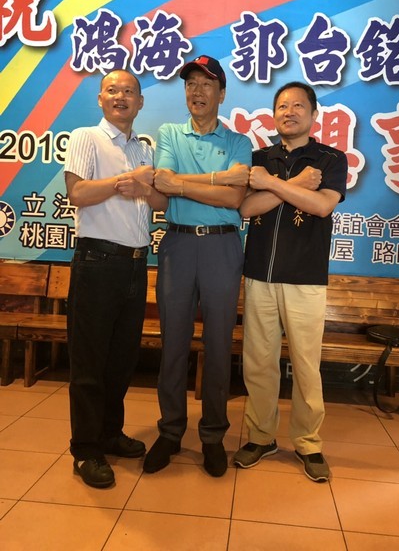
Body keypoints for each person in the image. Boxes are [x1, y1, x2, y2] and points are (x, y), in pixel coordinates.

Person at [143, 55, 252, 478]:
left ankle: (212, 436)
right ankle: (170, 431)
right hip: (178, 244)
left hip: (223, 247)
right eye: (191, 84)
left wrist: (184, 185)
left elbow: (234, 199)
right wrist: (218, 179)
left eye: (206, 84)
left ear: (221, 94)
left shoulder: (239, 142)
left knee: (219, 343)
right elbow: (162, 181)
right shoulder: (170, 133)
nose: (197, 91)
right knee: (173, 341)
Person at [233, 82, 348, 482]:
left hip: (305, 278)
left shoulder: (330, 159)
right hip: (259, 274)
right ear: (274, 114)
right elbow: (246, 208)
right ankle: (261, 436)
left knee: (305, 365)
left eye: (299, 105)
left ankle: (308, 443)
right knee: (258, 362)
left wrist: (272, 185)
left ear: (314, 114)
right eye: (282, 106)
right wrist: (293, 184)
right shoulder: (258, 160)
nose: (290, 112)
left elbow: (322, 205)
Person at [64, 69, 168, 489]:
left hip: (135, 265)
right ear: (100, 99)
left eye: (129, 91)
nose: (120, 96)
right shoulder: (86, 137)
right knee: (89, 362)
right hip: (97, 262)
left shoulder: (144, 149)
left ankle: (109, 432)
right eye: (112, 90)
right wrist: (125, 182)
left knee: (121, 359)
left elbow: (159, 202)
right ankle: (85, 450)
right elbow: (77, 193)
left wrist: (145, 187)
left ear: (140, 102)